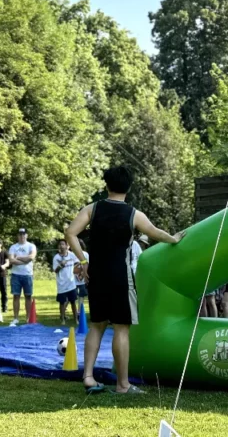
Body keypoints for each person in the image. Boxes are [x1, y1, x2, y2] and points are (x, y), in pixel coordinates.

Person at [66, 166, 186, 395]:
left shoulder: (92, 209)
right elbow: (154, 233)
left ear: (106, 185)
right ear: (129, 187)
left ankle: (88, 377)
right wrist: (175, 238)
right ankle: (123, 385)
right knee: (121, 329)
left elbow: (70, 232)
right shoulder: (134, 214)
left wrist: (83, 261)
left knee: (96, 326)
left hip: (96, 276)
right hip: (121, 277)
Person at [8, 228, 37, 326]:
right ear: (17, 236)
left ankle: (28, 318)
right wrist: (25, 260)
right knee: (16, 296)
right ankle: (15, 318)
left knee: (28, 296)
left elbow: (31, 257)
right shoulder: (13, 247)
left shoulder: (31, 246)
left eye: (23, 234)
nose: (21, 236)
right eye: (20, 234)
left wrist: (19, 258)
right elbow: (11, 260)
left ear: (26, 235)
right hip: (16, 274)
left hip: (27, 274)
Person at [53, 239, 79, 325]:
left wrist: (77, 270)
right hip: (61, 284)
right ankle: (63, 319)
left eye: (63, 244)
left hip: (71, 283)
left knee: (73, 302)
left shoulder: (71, 255)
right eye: (60, 244)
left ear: (67, 246)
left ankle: (76, 319)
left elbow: (77, 262)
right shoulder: (56, 257)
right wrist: (61, 265)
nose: (61, 246)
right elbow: (55, 270)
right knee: (62, 303)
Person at [74, 239, 89, 307]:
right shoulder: (72, 254)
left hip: (82, 280)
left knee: (81, 296)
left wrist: (83, 275)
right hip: (72, 280)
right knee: (72, 297)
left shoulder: (85, 254)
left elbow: (87, 265)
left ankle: (79, 311)